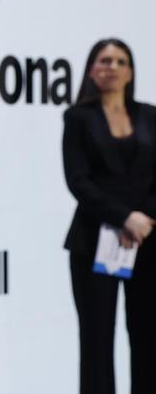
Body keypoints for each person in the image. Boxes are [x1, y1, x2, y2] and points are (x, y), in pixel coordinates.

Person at [63, 38, 156, 394]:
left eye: (120, 61)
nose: (112, 67)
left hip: (148, 239)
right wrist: (124, 217)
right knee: (97, 341)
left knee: (148, 336)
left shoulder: (150, 116)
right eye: (105, 60)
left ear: (130, 71)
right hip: (94, 241)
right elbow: (78, 180)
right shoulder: (77, 118)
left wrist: (142, 219)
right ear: (91, 69)